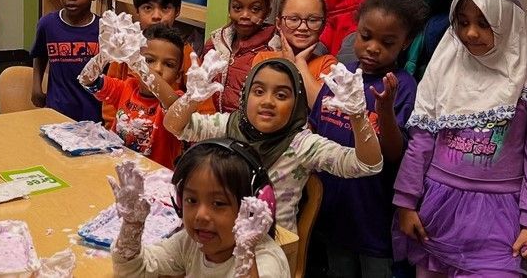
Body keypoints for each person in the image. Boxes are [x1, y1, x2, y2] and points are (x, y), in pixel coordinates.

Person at [393, 0, 527, 277]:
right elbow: (422, 140)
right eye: (461, 22)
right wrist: (406, 202)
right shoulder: (446, 68)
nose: (470, 33)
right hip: (437, 209)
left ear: (509, 21)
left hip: (501, 219)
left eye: (484, 22)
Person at [163, 57, 383, 233]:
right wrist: (192, 98)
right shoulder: (228, 125)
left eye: (281, 95)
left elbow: (368, 165)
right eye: (258, 92)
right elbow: (174, 125)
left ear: (297, 104)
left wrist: (357, 116)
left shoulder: (302, 145)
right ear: (245, 95)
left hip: (270, 247)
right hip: (218, 234)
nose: (268, 101)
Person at [309, 0, 428, 278]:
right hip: (332, 213)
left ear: (406, 41)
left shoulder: (402, 88)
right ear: (356, 29)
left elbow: (392, 155)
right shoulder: (339, 76)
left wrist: (385, 111)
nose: (373, 48)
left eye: (387, 43)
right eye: (366, 36)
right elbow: (312, 132)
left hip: (372, 219)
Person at [110, 139, 290, 277]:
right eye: (191, 200)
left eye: (218, 203)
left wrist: (246, 258)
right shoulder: (189, 243)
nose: (200, 215)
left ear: (253, 209)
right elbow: (134, 271)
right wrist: (132, 226)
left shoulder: (265, 261)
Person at [79, 16, 184, 169]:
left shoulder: (177, 100)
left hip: (154, 181)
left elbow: (174, 105)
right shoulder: (125, 88)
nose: (157, 69)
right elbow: (87, 80)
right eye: (149, 60)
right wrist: (104, 56)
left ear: (178, 75)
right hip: (115, 168)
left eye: (168, 64)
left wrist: (139, 64)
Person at [102, 0, 184, 129]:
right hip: (122, 136)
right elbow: (110, 100)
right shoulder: (124, 51)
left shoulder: (186, 54)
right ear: (137, 10)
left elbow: (200, 106)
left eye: (165, 8)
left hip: (166, 138)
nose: (156, 16)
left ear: (178, 10)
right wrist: (111, 128)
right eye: (148, 8)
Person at [30, 0, 102, 121]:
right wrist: (36, 86)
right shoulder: (47, 24)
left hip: (92, 115)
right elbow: (40, 54)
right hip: (56, 112)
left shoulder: (103, 29)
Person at [201, 0, 276, 114]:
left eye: (255, 9)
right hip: (211, 127)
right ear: (229, 8)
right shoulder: (214, 44)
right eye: (237, 7)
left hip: (247, 132)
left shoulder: (273, 49)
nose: (245, 15)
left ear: (268, 12)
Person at [252, 0, 337, 108]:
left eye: (313, 20)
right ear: (278, 23)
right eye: (293, 19)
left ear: (323, 25)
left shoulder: (328, 64)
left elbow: (321, 109)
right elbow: (264, 104)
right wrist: (289, 64)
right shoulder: (263, 59)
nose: (303, 27)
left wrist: (300, 64)